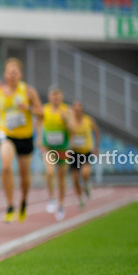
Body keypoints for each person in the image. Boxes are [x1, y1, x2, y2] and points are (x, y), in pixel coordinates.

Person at [0, 58, 43, 223]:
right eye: (9, 73)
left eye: (15, 73)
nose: (12, 76)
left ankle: (24, 201)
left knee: (25, 177)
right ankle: (10, 205)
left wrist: (29, 109)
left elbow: (41, 113)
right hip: (7, 134)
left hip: (25, 137)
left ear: (20, 74)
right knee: (6, 166)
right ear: (5, 74)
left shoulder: (28, 91)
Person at [40, 86, 77, 220]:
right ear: (49, 97)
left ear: (61, 97)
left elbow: (73, 130)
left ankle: (61, 204)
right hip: (49, 147)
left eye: (58, 95)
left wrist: (66, 121)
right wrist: (39, 140)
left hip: (63, 148)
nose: (55, 98)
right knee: (49, 172)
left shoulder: (67, 111)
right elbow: (39, 125)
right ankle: (51, 197)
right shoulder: (45, 109)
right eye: (53, 95)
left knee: (61, 177)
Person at [68, 101, 100, 207]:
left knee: (85, 173)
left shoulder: (88, 120)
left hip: (86, 151)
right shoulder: (70, 122)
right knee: (75, 178)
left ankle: (86, 184)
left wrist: (96, 147)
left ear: (81, 109)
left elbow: (96, 131)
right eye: (75, 109)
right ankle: (80, 198)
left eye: (79, 109)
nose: (77, 111)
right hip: (74, 152)